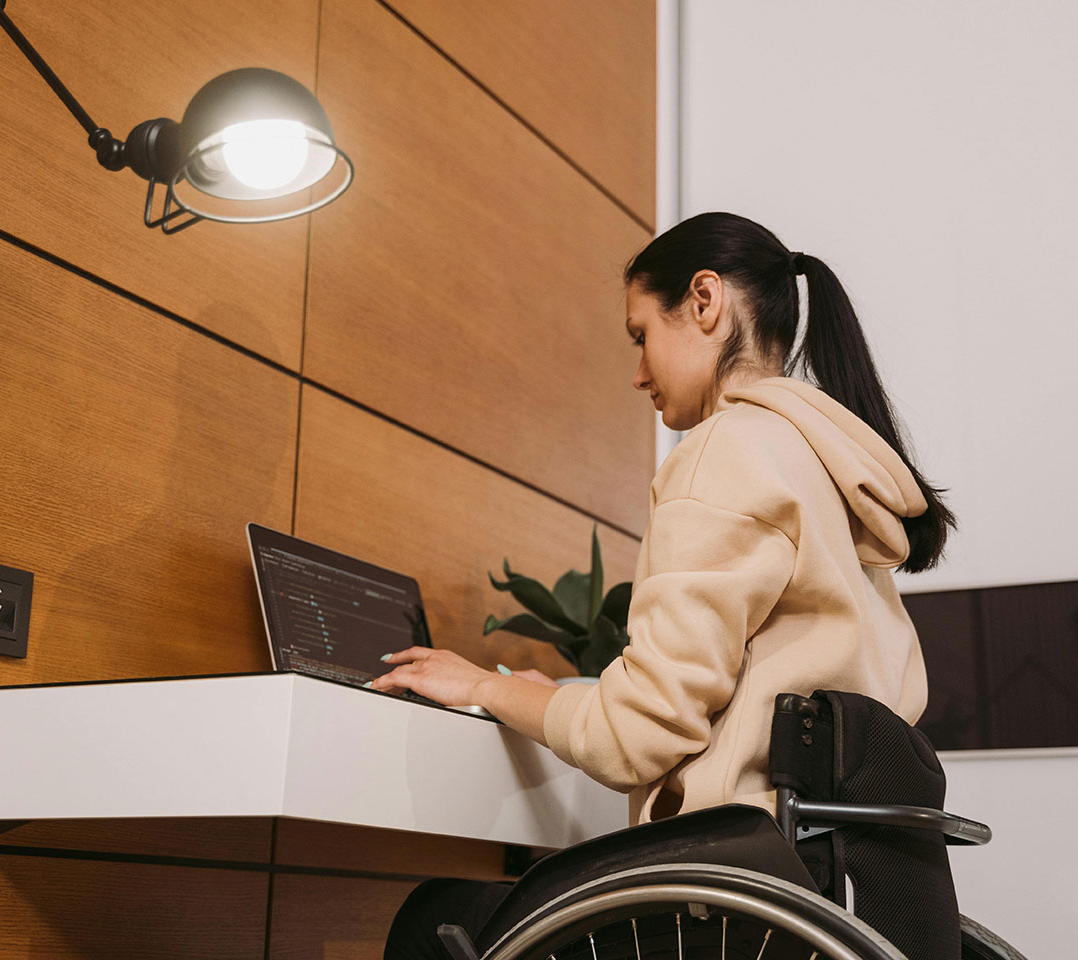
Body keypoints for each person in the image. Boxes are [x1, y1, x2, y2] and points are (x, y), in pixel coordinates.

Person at [374, 211, 955, 960]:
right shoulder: (832, 472)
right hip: (846, 898)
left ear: (705, 302)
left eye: (641, 334)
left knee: (435, 918)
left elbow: (643, 732)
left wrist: (491, 689)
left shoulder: (725, 452)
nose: (638, 372)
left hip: (736, 913)